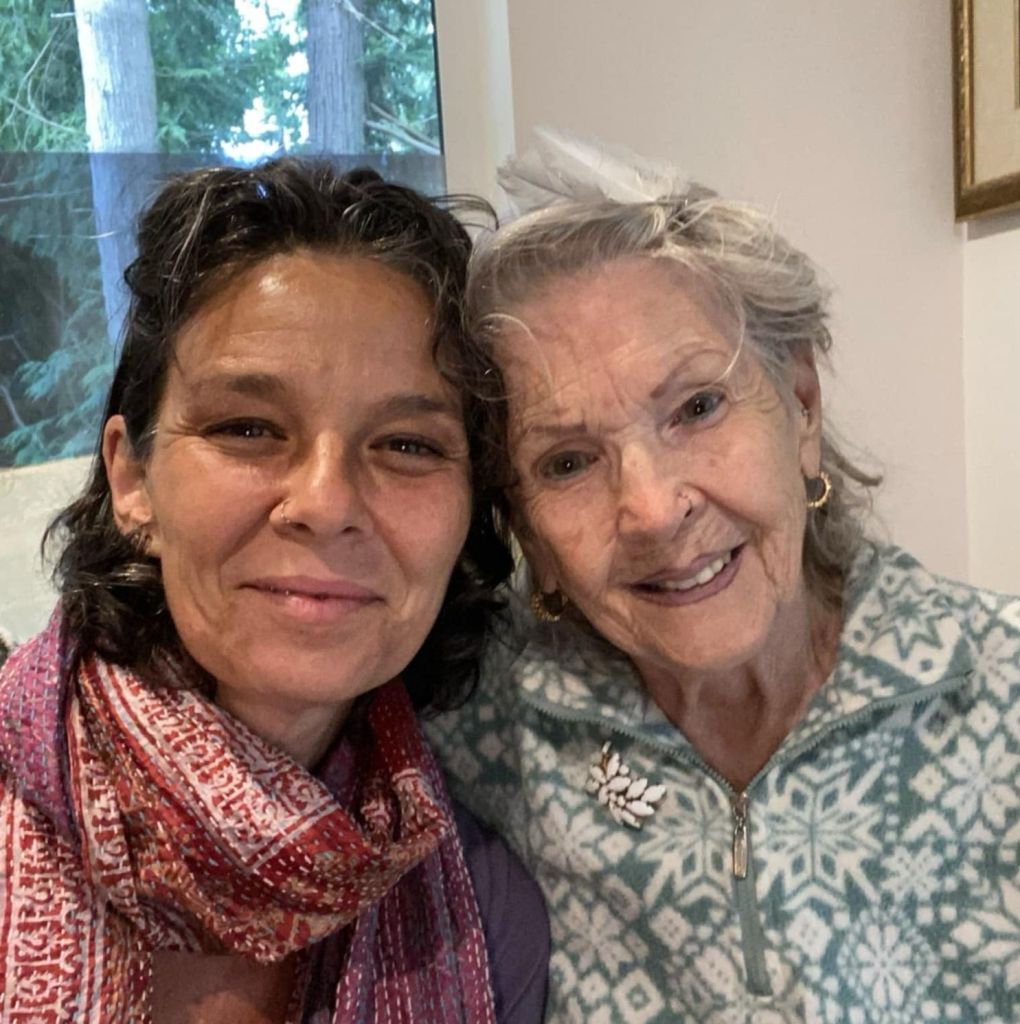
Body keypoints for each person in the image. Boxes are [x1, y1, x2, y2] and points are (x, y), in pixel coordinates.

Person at [427, 133, 1020, 1023]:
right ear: (524, 526)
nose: (653, 509)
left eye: (697, 407)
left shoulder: (999, 692)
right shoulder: (480, 718)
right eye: (567, 462)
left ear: (802, 406)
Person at [0, 158, 548, 1024]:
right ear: (132, 479)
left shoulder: (488, 919)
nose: (327, 503)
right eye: (248, 428)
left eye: (407, 444)